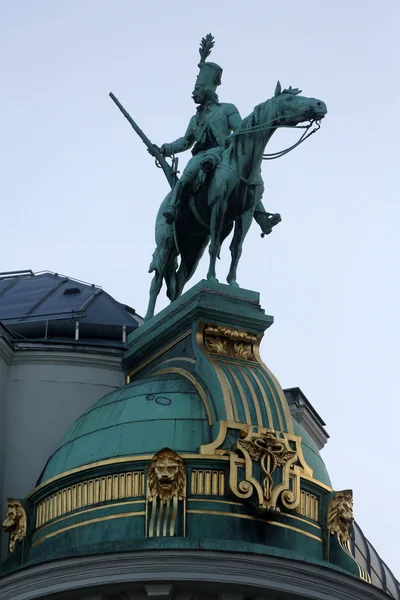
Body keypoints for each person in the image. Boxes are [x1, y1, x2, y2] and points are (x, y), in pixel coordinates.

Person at [149, 50, 280, 235]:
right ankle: (173, 206)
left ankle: (261, 217)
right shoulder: (195, 119)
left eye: (197, 89)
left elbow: (241, 129)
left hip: (225, 152)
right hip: (202, 155)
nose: (193, 92)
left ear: (207, 90)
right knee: (188, 173)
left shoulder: (227, 109)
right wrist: (164, 149)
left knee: (244, 176)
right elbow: (185, 142)